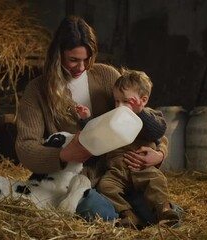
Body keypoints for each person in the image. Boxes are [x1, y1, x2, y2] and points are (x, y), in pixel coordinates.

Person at [15, 16, 174, 223]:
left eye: (87, 58)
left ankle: (136, 212)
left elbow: (142, 117)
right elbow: (25, 148)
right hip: (76, 179)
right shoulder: (37, 91)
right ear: (57, 54)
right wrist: (63, 154)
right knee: (102, 212)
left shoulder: (106, 75)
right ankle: (122, 214)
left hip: (120, 170)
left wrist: (159, 153)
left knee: (163, 212)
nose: (82, 66)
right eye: (73, 60)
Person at [75, 67, 180, 228]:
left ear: (143, 100)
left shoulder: (149, 116)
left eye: (125, 101)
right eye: (117, 100)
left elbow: (158, 131)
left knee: (156, 180)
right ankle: (128, 215)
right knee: (105, 186)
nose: (119, 106)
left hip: (141, 168)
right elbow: (98, 132)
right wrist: (86, 120)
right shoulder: (113, 117)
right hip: (116, 171)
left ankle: (164, 210)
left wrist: (140, 112)